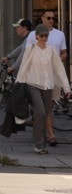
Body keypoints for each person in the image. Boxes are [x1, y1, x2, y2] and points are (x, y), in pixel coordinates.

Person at [17, 23, 72, 154]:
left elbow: (59, 69)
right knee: (40, 112)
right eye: (41, 36)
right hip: (33, 84)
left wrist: (67, 88)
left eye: (46, 36)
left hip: (48, 86)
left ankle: (42, 144)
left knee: (45, 114)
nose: (44, 38)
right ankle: (38, 144)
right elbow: (24, 67)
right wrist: (18, 84)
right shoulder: (31, 49)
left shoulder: (51, 50)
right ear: (36, 36)